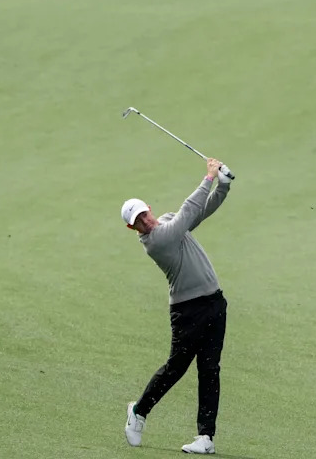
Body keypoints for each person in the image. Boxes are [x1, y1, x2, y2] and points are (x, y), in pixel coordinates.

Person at [121, 157, 232, 455]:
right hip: (187, 311)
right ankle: (139, 411)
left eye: (144, 214)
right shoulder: (156, 241)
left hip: (214, 303)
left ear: (149, 209)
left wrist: (223, 186)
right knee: (176, 368)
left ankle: (205, 437)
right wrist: (208, 178)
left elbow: (201, 211)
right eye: (138, 222)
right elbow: (190, 209)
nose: (145, 221)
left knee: (210, 369)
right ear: (134, 229)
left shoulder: (170, 221)